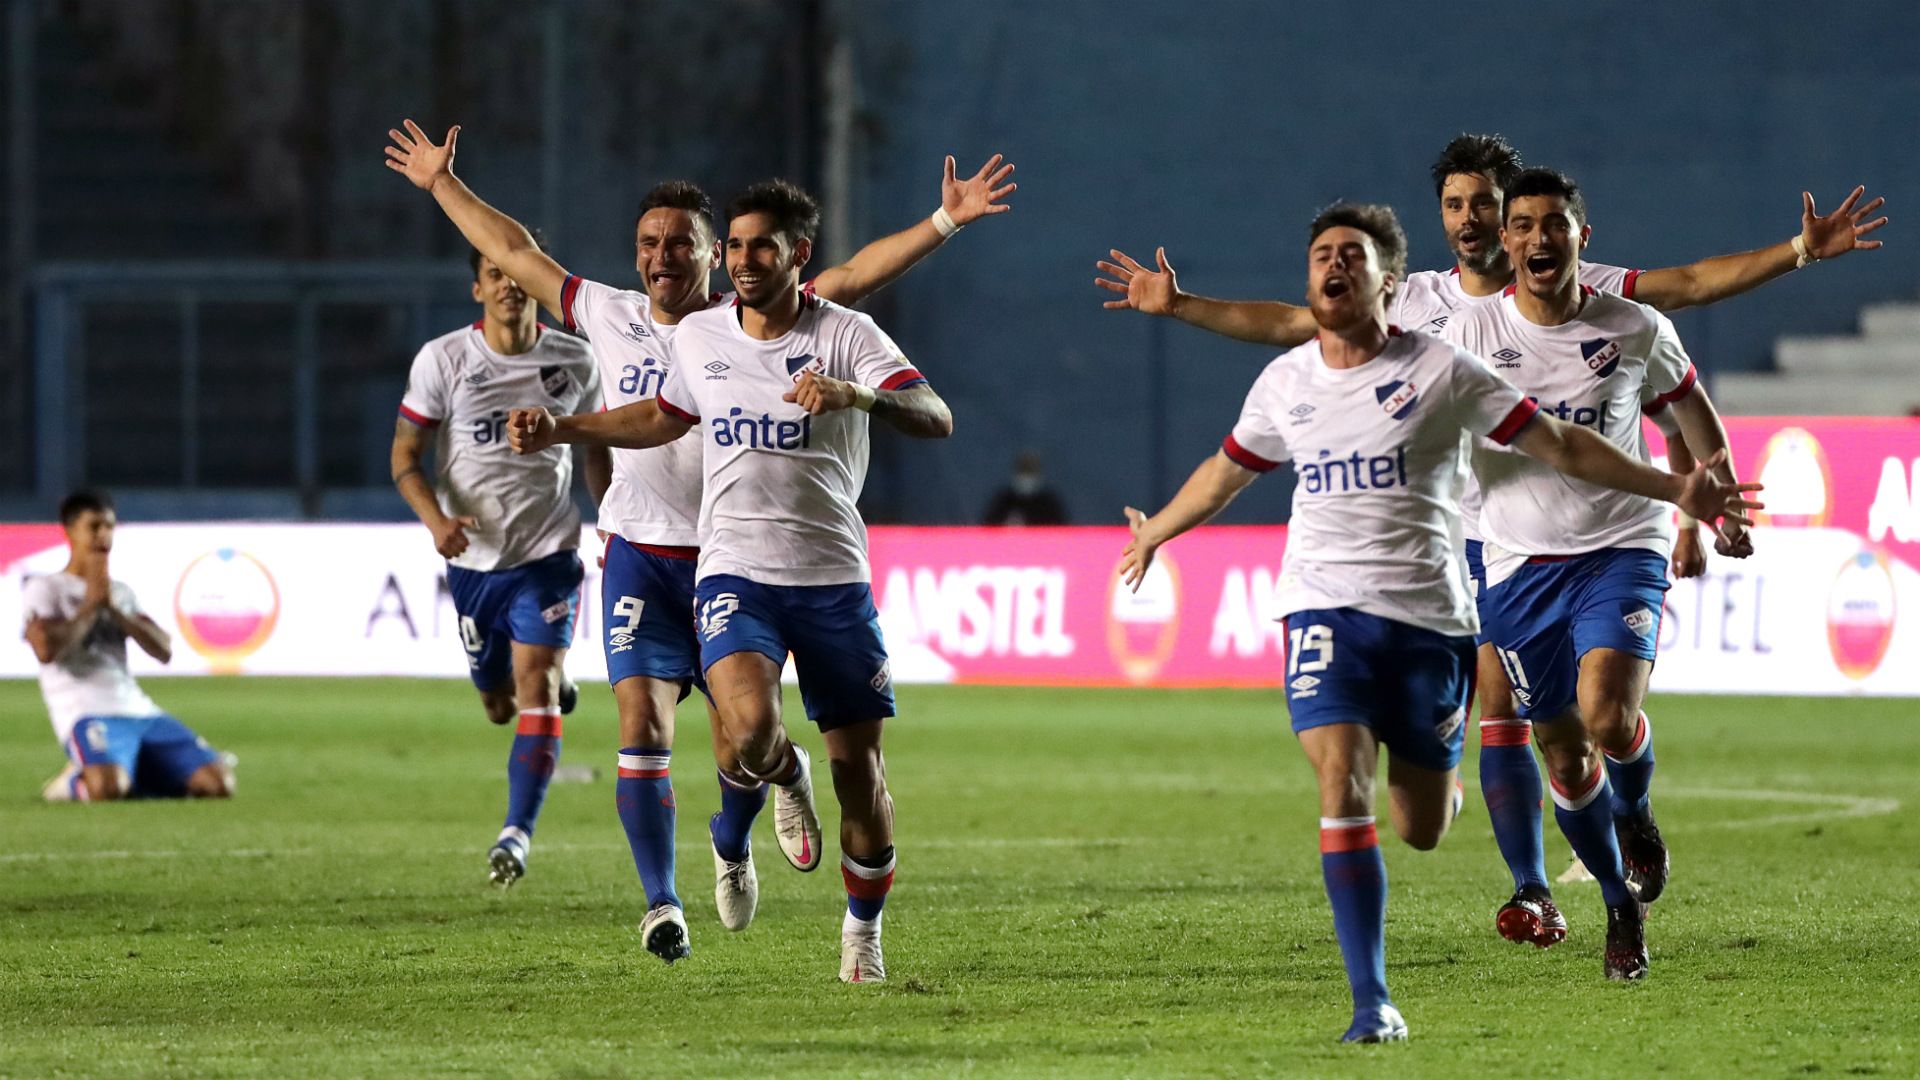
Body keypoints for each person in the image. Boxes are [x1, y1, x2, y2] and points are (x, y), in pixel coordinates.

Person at [1095, 132, 1885, 943]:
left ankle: (1583, 855)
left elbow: (1685, 297)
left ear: (1524, 219)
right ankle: (1535, 888)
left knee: (1577, 717)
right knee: (1519, 722)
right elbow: (1296, 325)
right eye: (1456, 207)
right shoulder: (1417, 303)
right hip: (1479, 536)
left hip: (1603, 532)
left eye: (1485, 205)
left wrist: (1794, 254)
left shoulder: (1603, 299)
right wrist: (1183, 305)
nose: (1472, 221)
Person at [1116, 203, 1757, 1041]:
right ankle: (1372, 1001)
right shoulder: (1286, 382)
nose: (1333, 268)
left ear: (1391, 280)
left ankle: (1569, 822)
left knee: (1433, 819)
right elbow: (1227, 470)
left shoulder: (1450, 367)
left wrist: (1681, 496)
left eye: (1352, 255)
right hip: (1324, 606)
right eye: (1321, 256)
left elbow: (1561, 443)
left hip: (1435, 612)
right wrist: (1158, 529)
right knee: (1345, 777)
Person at [386, 119, 1011, 963]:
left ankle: (750, 821)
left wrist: (943, 224)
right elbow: (518, 249)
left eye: (683, 244)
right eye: (650, 243)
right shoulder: (605, 313)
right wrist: (440, 185)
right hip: (661, 554)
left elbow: (853, 277)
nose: (663, 258)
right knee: (642, 727)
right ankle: (660, 904)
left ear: (715, 257)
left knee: (751, 753)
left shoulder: (743, 313)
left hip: (767, 556)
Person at [508, 179, 954, 984]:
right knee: (744, 736)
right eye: (740, 245)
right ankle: (752, 807)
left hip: (830, 578)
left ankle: (862, 929)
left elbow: (933, 414)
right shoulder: (702, 336)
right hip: (730, 571)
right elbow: (659, 416)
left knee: (862, 773)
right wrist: (565, 428)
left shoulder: (846, 334)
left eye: (760, 248)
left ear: (796, 257)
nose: (746, 261)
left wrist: (856, 395)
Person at [1446, 167, 1757, 979]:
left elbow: (1690, 412)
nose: (1539, 238)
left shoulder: (1636, 326)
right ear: (1506, 241)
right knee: (1563, 755)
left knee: (1607, 715)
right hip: (1516, 565)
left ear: (1584, 236)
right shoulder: (1469, 335)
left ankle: (1638, 812)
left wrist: (1709, 508)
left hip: (1621, 544)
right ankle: (1620, 905)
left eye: (1556, 223)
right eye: (1524, 225)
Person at [390, 233, 598, 890]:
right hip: (475, 565)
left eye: (517, 273)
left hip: (549, 554)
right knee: (498, 704)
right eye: (493, 273)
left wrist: (614, 519)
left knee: (535, 688)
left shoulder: (578, 360)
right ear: (477, 289)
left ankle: (516, 834)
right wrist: (436, 522)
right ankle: (538, 686)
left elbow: (597, 448)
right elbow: (404, 458)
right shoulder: (443, 359)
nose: (509, 283)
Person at [24, 490, 235, 803]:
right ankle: (71, 783)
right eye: (94, 527)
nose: (103, 535)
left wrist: (115, 611)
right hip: (87, 713)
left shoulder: (121, 593)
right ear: (69, 531)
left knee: (218, 785)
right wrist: (90, 608)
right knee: (106, 791)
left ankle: (124, 773)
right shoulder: (45, 589)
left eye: (109, 526)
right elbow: (45, 650)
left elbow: (164, 650)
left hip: (139, 710)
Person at [983, 450, 1069, 525]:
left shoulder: (1048, 503)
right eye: (1023, 473)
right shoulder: (1005, 501)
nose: (1026, 479)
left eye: (1030, 473)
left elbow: (1063, 528)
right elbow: (988, 525)